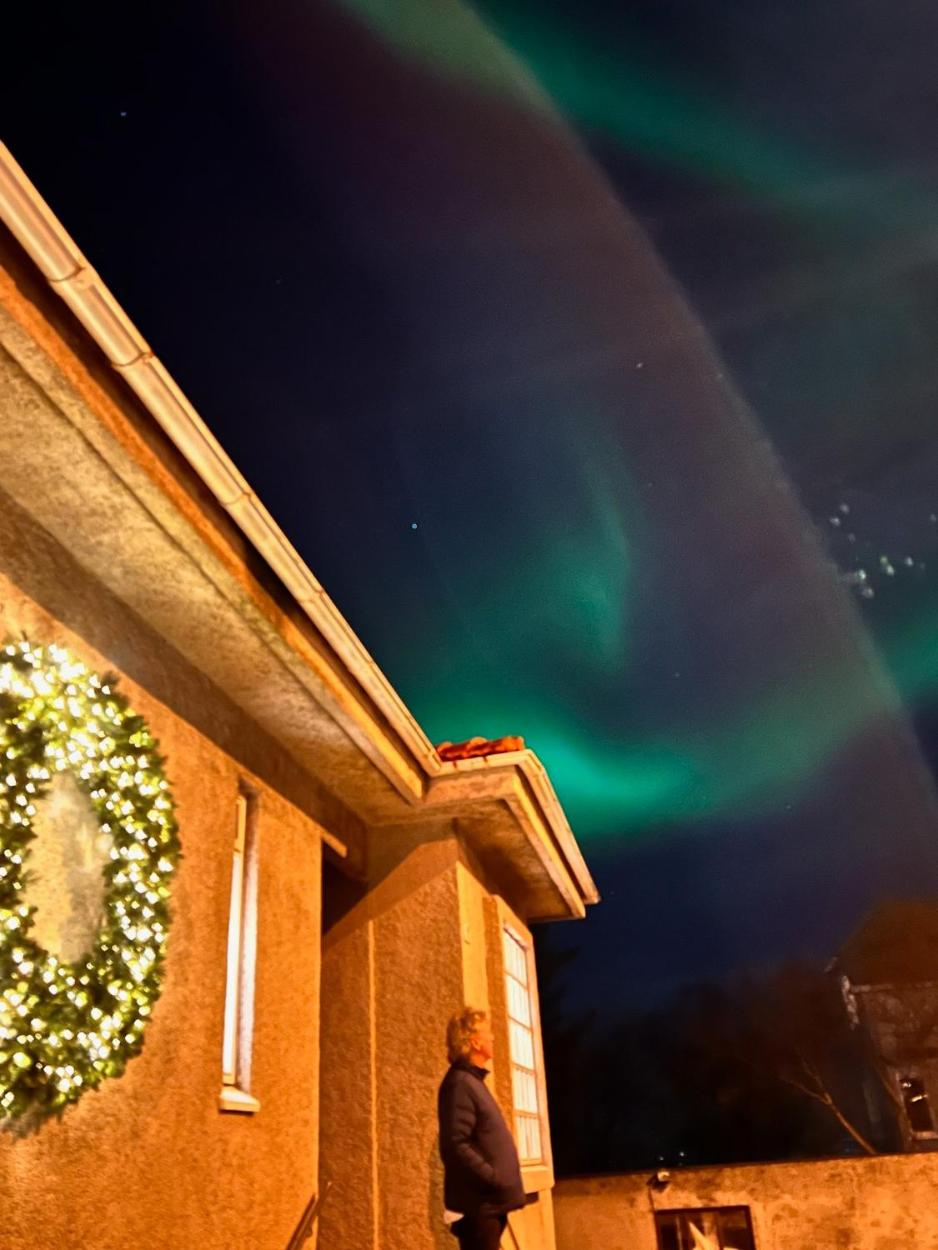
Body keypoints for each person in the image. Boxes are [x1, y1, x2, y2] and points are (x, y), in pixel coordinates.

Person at [437, 1006, 527, 1250]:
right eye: (488, 1032)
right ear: (475, 1042)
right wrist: (494, 1177)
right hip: (480, 1208)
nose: (493, 1037)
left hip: (489, 1206)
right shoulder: (460, 1084)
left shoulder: (471, 1082)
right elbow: (455, 1144)